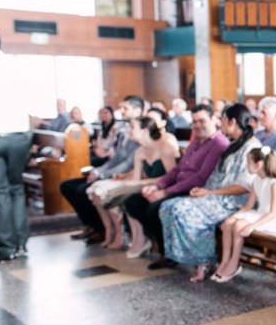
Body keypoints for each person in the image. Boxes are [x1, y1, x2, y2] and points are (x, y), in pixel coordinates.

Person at [159, 104, 259, 281]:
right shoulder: (234, 144)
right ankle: (186, 257)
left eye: (223, 119)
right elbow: (216, 175)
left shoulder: (252, 147)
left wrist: (210, 192)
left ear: (232, 121)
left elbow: (244, 186)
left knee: (182, 210)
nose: (221, 123)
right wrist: (204, 191)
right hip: (218, 196)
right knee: (167, 206)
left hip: (235, 202)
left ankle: (205, 261)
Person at [123, 104, 229, 268]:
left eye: (202, 120)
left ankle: (168, 254)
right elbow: (178, 170)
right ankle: (165, 246)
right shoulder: (196, 142)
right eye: (194, 122)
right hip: (177, 185)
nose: (198, 125)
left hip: (195, 191)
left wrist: (166, 192)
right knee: (133, 202)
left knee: (154, 209)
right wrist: (157, 186)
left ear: (214, 120)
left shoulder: (218, 143)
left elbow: (201, 178)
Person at [60, 96, 145, 245]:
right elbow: (117, 157)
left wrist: (102, 174)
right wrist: (97, 171)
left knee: (83, 191)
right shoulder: (124, 129)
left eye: (125, 108)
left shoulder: (141, 130)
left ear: (137, 110)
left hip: (126, 175)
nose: (121, 111)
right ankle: (91, 225)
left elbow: (127, 163)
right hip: (113, 171)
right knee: (67, 186)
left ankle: (101, 229)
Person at [86, 117, 179, 250]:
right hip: (145, 184)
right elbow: (135, 178)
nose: (128, 130)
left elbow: (171, 176)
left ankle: (134, 237)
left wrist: (140, 183)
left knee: (125, 198)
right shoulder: (140, 151)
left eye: (132, 127)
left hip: (162, 186)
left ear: (144, 130)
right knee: (103, 191)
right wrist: (122, 180)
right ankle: (123, 233)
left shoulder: (164, 146)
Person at [212, 146, 276, 282]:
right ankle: (224, 261)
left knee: (239, 225)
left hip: (273, 220)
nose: (246, 165)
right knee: (230, 223)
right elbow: (248, 206)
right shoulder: (256, 181)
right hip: (260, 215)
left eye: (248, 162)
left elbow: (273, 212)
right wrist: (231, 217)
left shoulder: (275, 183)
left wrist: (252, 225)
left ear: (258, 164)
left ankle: (233, 264)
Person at [0, 43, 33, 260]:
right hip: (19, 136)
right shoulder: (17, 65)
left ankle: (6, 246)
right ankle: (21, 243)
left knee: (0, 192)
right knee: (16, 188)